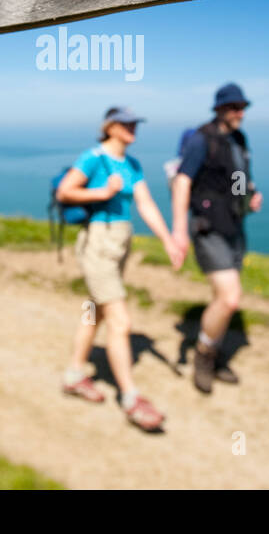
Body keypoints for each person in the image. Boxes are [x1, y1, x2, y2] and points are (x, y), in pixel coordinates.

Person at [57, 106, 184, 431]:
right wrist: (103, 192)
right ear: (109, 126)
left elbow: (145, 203)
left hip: (120, 244)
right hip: (98, 244)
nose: (133, 129)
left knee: (96, 311)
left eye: (135, 124)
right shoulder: (93, 158)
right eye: (126, 124)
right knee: (120, 320)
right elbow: (65, 192)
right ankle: (130, 398)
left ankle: (74, 375)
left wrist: (169, 239)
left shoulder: (132, 164)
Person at [170, 83, 263, 394]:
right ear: (220, 108)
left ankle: (214, 348)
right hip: (208, 229)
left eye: (243, 107)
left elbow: (237, 178)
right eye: (235, 107)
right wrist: (179, 230)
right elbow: (183, 182)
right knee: (229, 298)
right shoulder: (201, 139)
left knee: (223, 300)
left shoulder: (238, 139)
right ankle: (205, 357)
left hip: (234, 227)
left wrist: (248, 196)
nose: (241, 113)